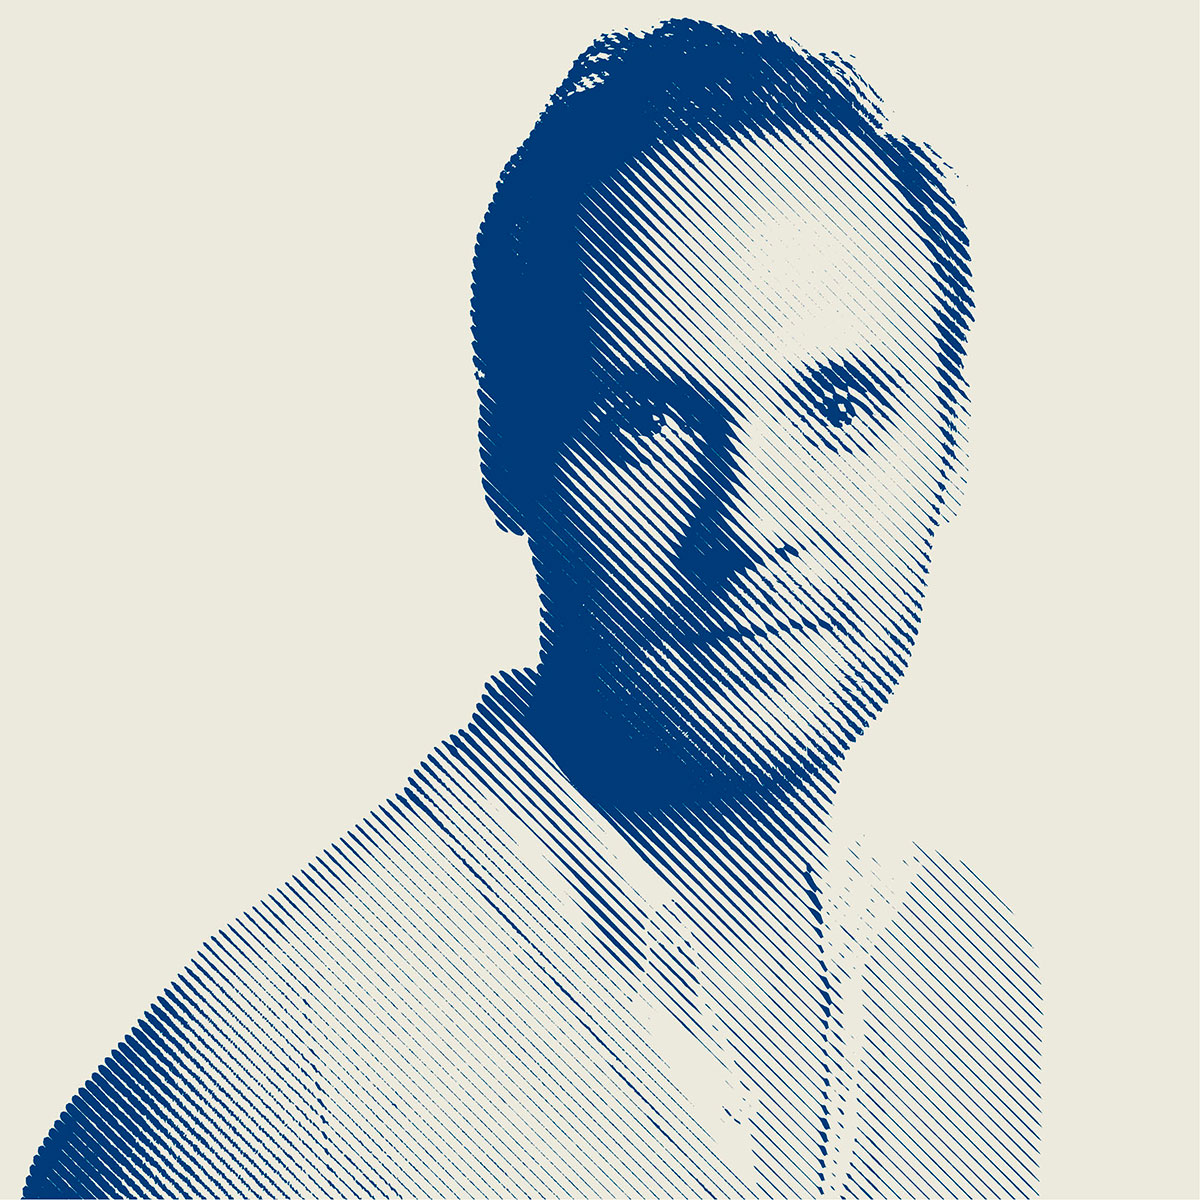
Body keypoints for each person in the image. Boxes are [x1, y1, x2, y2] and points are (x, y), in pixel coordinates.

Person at [24, 20, 1040, 1200]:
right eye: (646, 424)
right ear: (505, 458)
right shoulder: (262, 1103)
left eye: (841, 409)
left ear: (954, 446)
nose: (751, 522)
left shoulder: (972, 971)